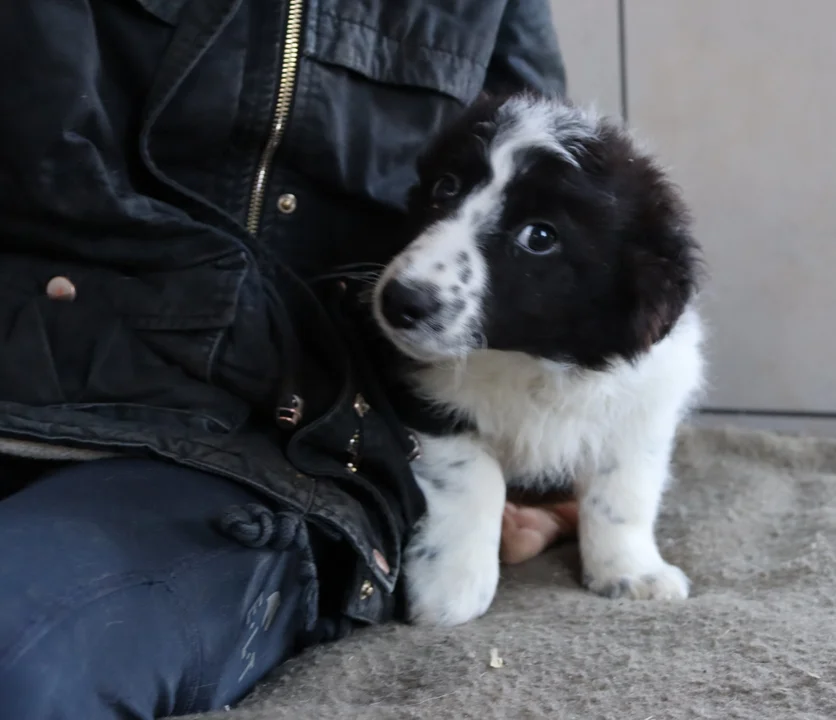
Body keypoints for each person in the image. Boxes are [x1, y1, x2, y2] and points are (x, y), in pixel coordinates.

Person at [0, 1, 579, 717]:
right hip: (34, 350)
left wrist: (537, 470)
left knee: (20, 658)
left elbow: (547, 214)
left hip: (262, 441)